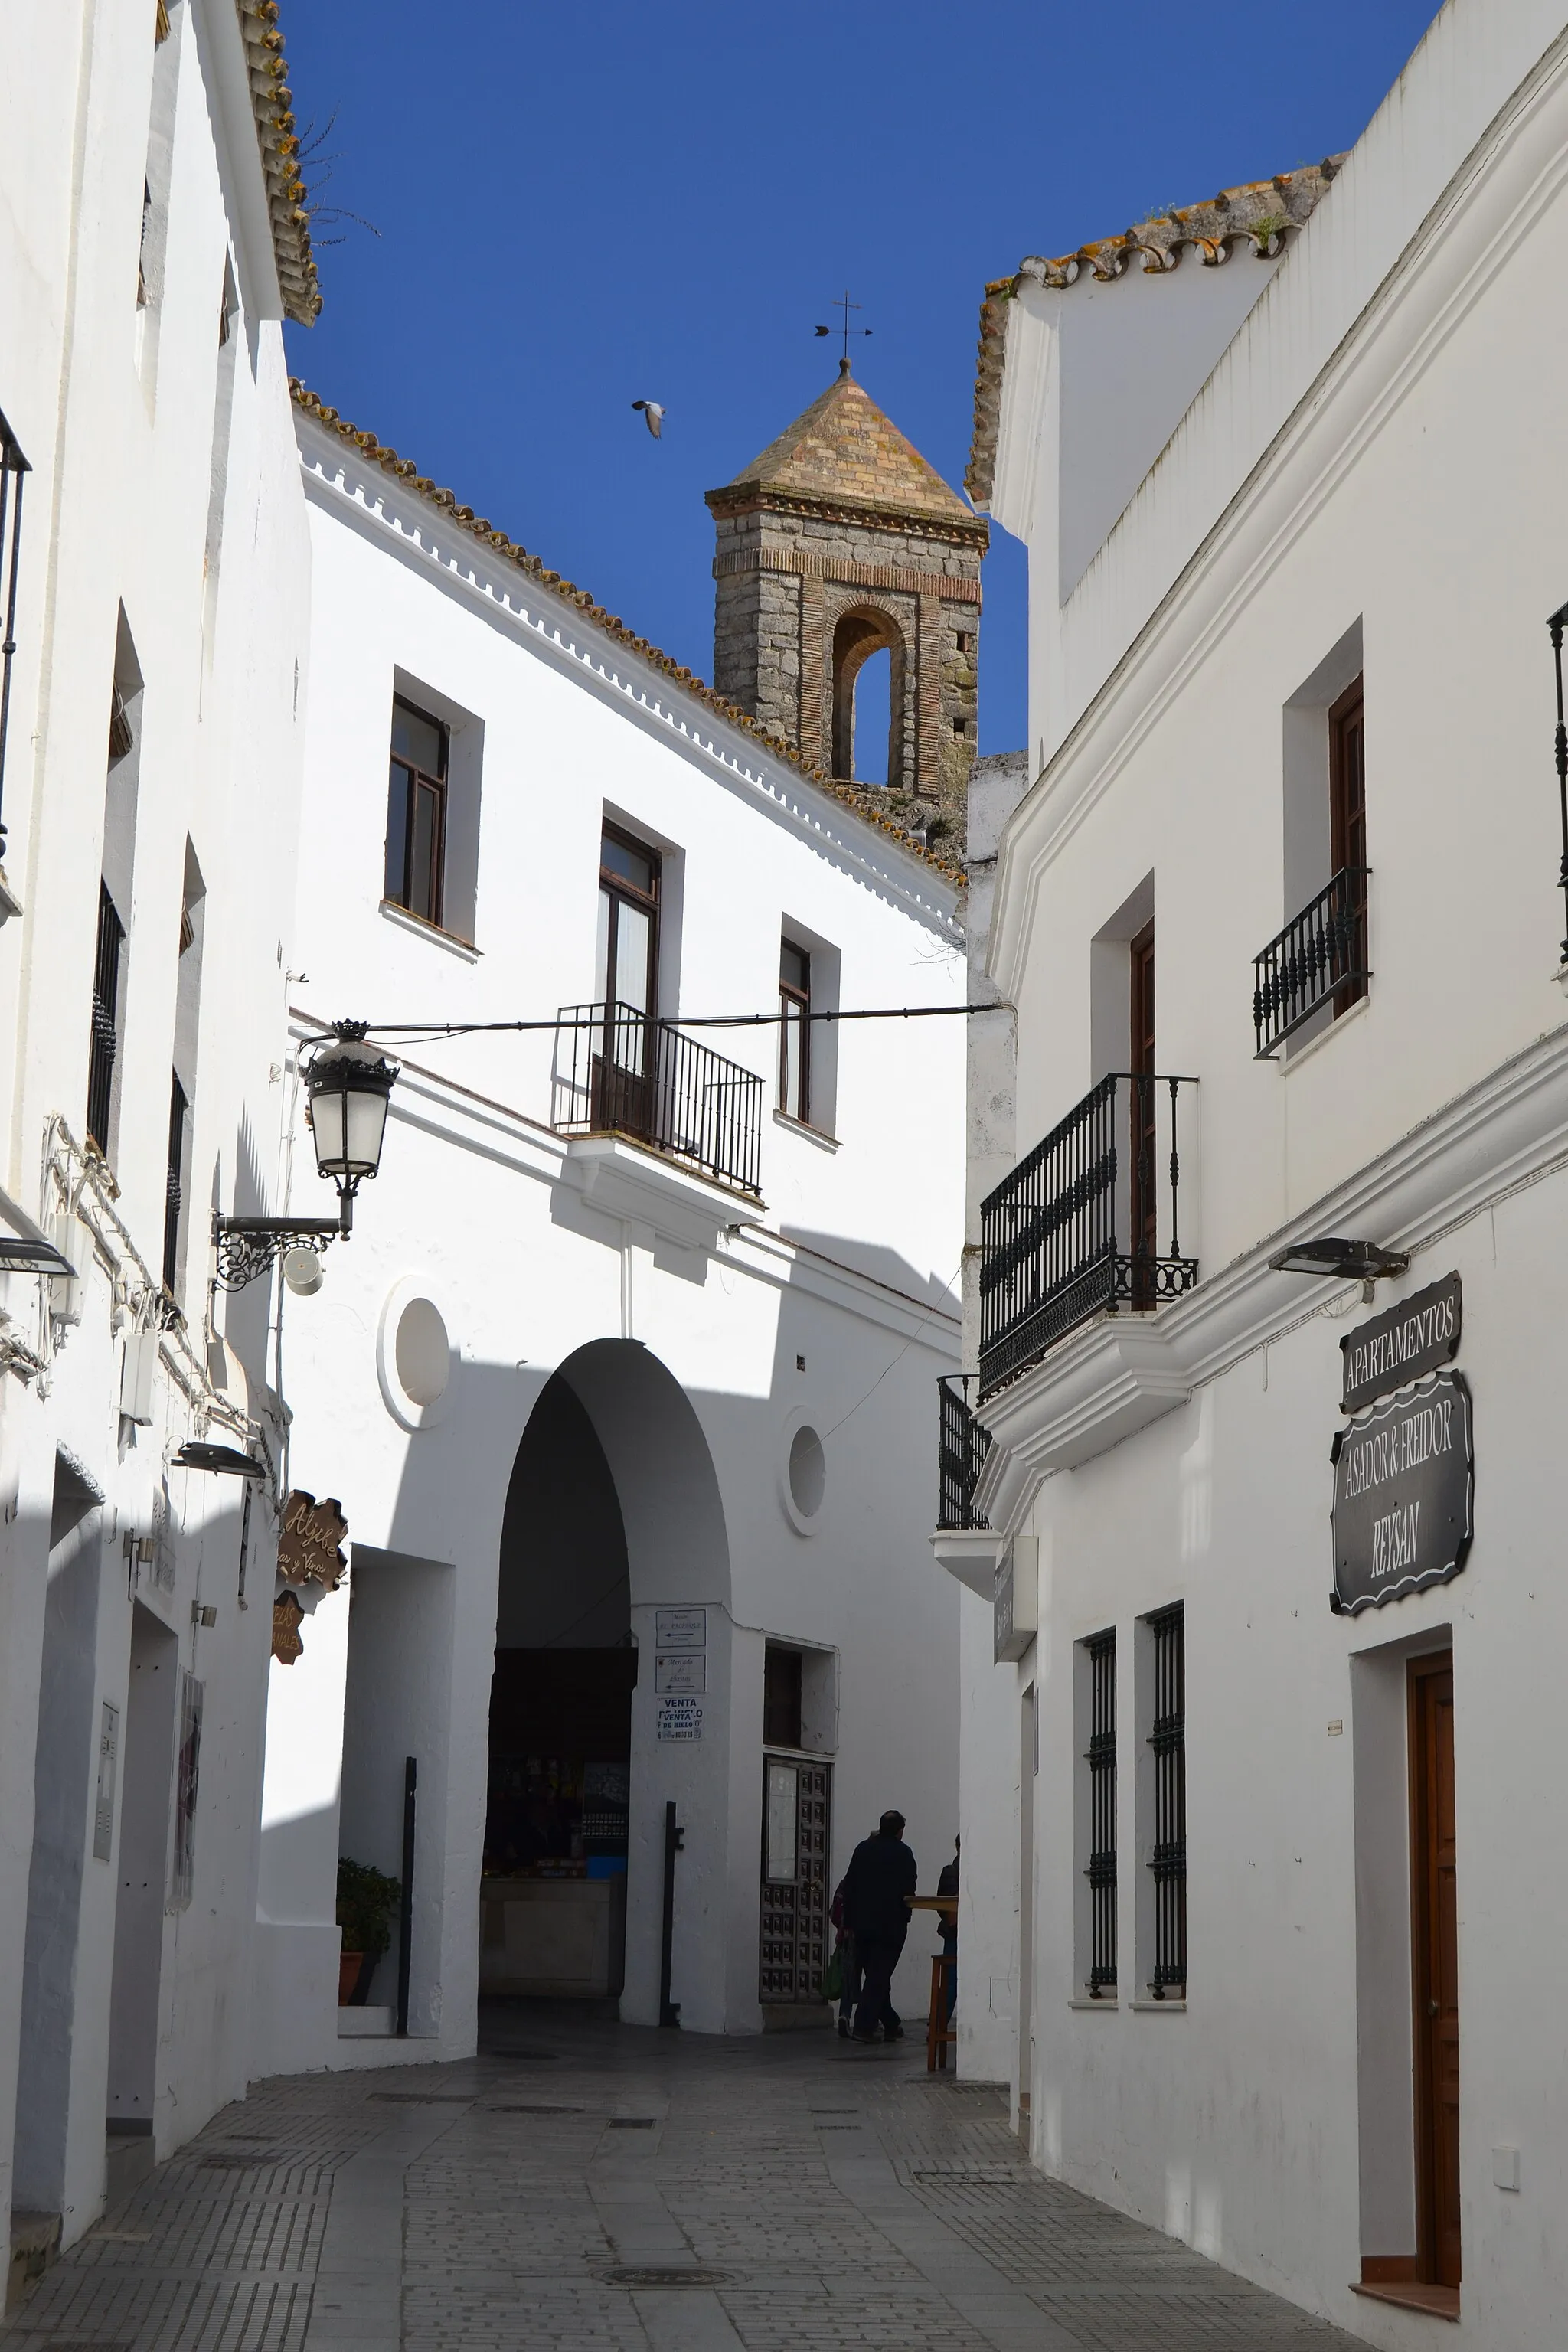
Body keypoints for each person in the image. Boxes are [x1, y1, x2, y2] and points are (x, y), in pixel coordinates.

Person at [841, 1809, 918, 2043]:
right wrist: (905, 1915)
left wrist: (848, 1922)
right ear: (899, 1830)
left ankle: (891, 2024)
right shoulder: (904, 1853)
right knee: (878, 1977)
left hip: (862, 1925)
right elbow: (909, 1887)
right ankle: (864, 2027)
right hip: (890, 1926)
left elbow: (850, 1886)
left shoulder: (862, 1849)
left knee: (875, 1975)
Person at [828, 1870, 863, 2038]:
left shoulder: (847, 1882)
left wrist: (843, 1928)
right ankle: (870, 2018)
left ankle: (845, 2014)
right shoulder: (871, 1881)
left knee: (849, 1978)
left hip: (846, 1938)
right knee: (875, 1978)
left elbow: (834, 1911)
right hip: (866, 1936)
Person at [936, 1834, 959, 2022]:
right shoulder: (954, 1871)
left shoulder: (949, 1871)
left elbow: (940, 1906)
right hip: (956, 1933)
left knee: (950, 1982)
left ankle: (939, 2023)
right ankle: (940, 2022)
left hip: (952, 1934)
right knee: (951, 1983)